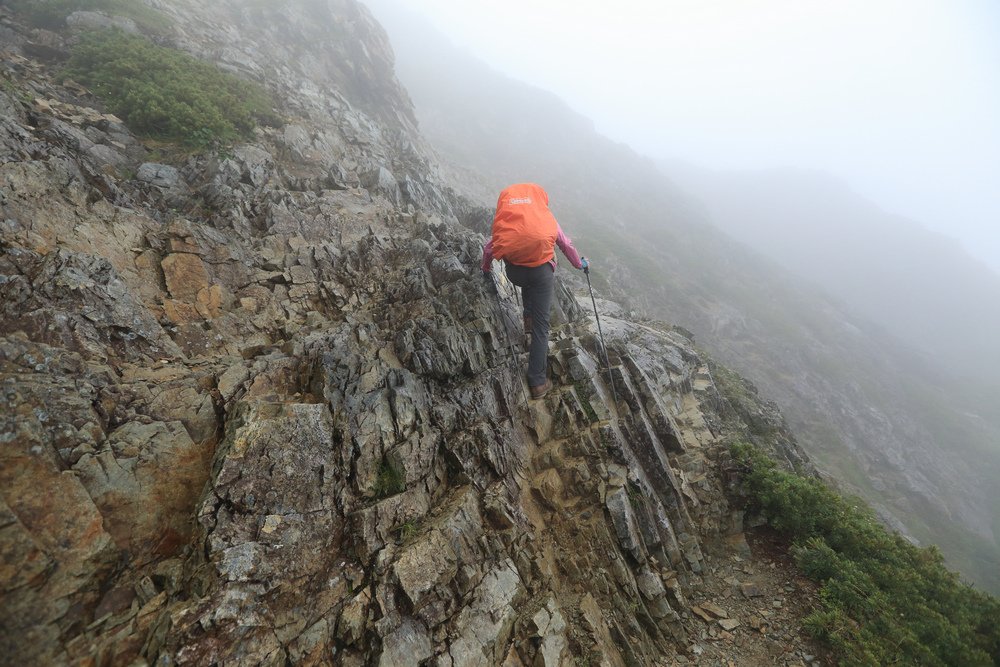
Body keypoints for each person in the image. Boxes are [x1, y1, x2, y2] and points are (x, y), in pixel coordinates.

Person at [481, 183, 587, 399]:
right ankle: (537, 381)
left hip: (515, 274)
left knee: (529, 282)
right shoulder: (545, 218)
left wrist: (485, 270)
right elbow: (565, 245)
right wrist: (580, 265)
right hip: (541, 275)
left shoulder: (508, 221)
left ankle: (527, 324)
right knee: (542, 326)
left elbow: (488, 249)